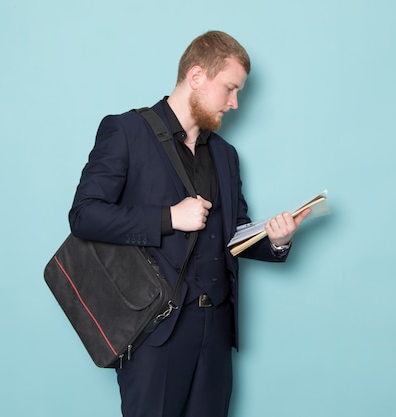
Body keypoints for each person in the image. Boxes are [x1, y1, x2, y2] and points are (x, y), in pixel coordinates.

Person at [69, 30, 310, 417]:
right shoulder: (127, 132)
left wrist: (276, 240)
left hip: (214, 335)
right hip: (154, 336)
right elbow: (84, 215)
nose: (234, 103)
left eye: (239, 93)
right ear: (197, 77)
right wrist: (169, 218)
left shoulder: (226, 156)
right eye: (230, 89)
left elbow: (234, 235)